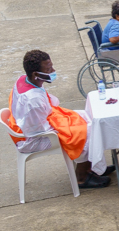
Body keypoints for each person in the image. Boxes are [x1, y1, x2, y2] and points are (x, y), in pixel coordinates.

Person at [6, 49, 112, 188]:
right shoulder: (33, 99)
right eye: (49, 69)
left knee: (88, 117)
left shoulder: (24, 79)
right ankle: (82, 177)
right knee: (88, 131)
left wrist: (68, 120)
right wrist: (68, 127)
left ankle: (91, 165)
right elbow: (38, 130)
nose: (53, 70)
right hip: (33, 139)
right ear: (35, 74)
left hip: (40, 122)